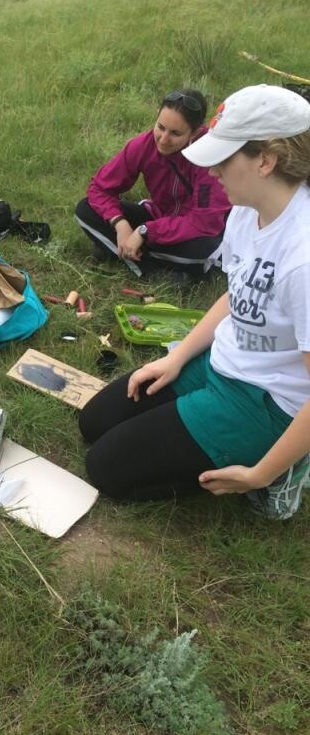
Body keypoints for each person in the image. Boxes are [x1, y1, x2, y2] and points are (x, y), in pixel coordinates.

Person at [79, 84, 310, 520]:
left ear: (266, 160)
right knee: (95, 421)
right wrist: (177, 358)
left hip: (264, 402)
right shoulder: (245, 210)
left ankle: (287, 469)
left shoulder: (302, 256)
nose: (213, 172)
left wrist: (260, 473)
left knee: (106, 469)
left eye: (222, 159)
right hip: (219, 362)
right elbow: (236, 293)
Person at [74, 89, 231, 278]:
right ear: (157, 115)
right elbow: (99, 188)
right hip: (157, 216)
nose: (163, 139)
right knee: (85, 209)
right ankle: (157, 267)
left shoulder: (209, 158)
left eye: (175, 133)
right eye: (160, 127)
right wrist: (120, 224)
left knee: (204, 250)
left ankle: (121, 253)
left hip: (198, 231)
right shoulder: (143, 145)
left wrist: (144, 231)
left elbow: (205, 223)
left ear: (195, 133)